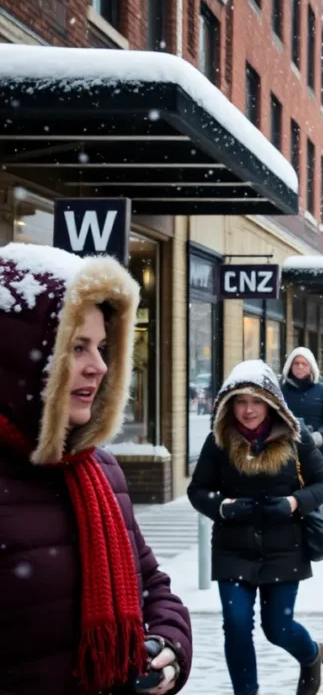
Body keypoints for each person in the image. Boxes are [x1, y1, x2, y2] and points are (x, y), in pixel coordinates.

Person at [0, 244, 192, 694]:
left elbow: (152, 586)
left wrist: (168, 645)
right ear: (23, 359)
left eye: (103, 348)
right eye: (77, 347)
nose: (100, 367)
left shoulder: (99, 470)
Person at [188, 359, 323, 695]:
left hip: (285, 548)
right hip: (233, 548)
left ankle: (311, 654)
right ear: (229, 403)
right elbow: (197, 490)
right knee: (237, 626)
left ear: (271, 402)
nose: (248, 410)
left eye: (256, 401)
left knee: (278, 628)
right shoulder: (219, 441)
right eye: (240, 401)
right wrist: (222, 506)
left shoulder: (295, 438)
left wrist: (294, 503)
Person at [282, 346, 323, 473]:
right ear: (290, 366)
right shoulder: (281, 392)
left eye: (304, 363)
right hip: (288, 455)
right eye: (296, 363)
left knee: (320, 490)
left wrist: (320, 435)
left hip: (319, 453)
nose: (300, 366)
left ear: (311, 367)